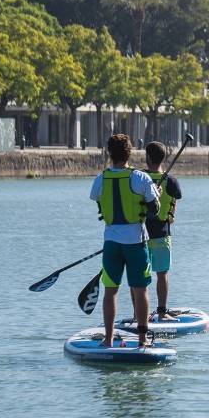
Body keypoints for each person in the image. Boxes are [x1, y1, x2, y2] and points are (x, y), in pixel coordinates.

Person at [89, 134, 161, 347]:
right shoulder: (141, 178)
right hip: (136, 242)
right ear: (130, 153)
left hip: (111, 242)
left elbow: (97, 198)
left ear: (109, 154)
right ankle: (142, 339)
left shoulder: (100, 179)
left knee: (110, 291)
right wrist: (155, 194)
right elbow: (154, 211)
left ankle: (109, 339)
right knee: (141, 291)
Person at [143, 141, 184, 322]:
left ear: (148, 158)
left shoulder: (139, 177)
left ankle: (139, 315)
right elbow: (174, 203)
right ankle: (161, 312)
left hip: (140, 234)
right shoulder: (172, 181)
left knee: (140, 275)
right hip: (161, 232)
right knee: (162, 273)